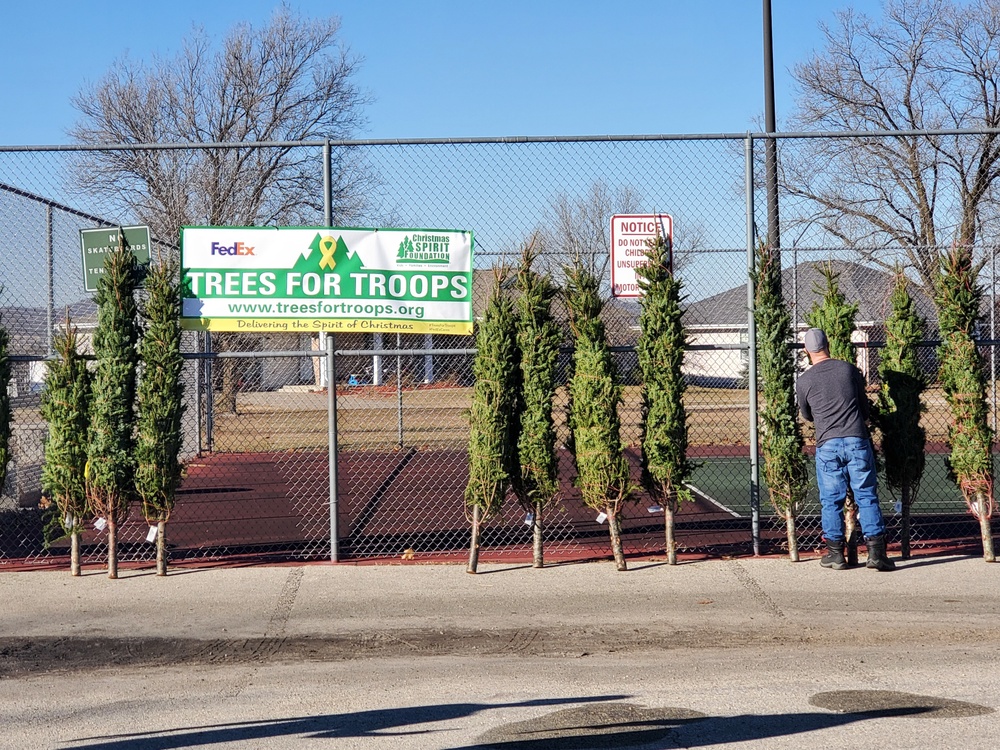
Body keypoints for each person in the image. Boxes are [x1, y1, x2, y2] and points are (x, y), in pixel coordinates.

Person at [796, 328, 895, 571]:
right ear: (828, 345)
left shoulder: (804, 380)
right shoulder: (848, 369)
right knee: (866, 495)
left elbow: (807, 415)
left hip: (827, 444)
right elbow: (864, 406)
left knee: (831, 500)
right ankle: (876, 554)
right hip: (856, 439)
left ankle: (835, 554)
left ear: (807, 351)